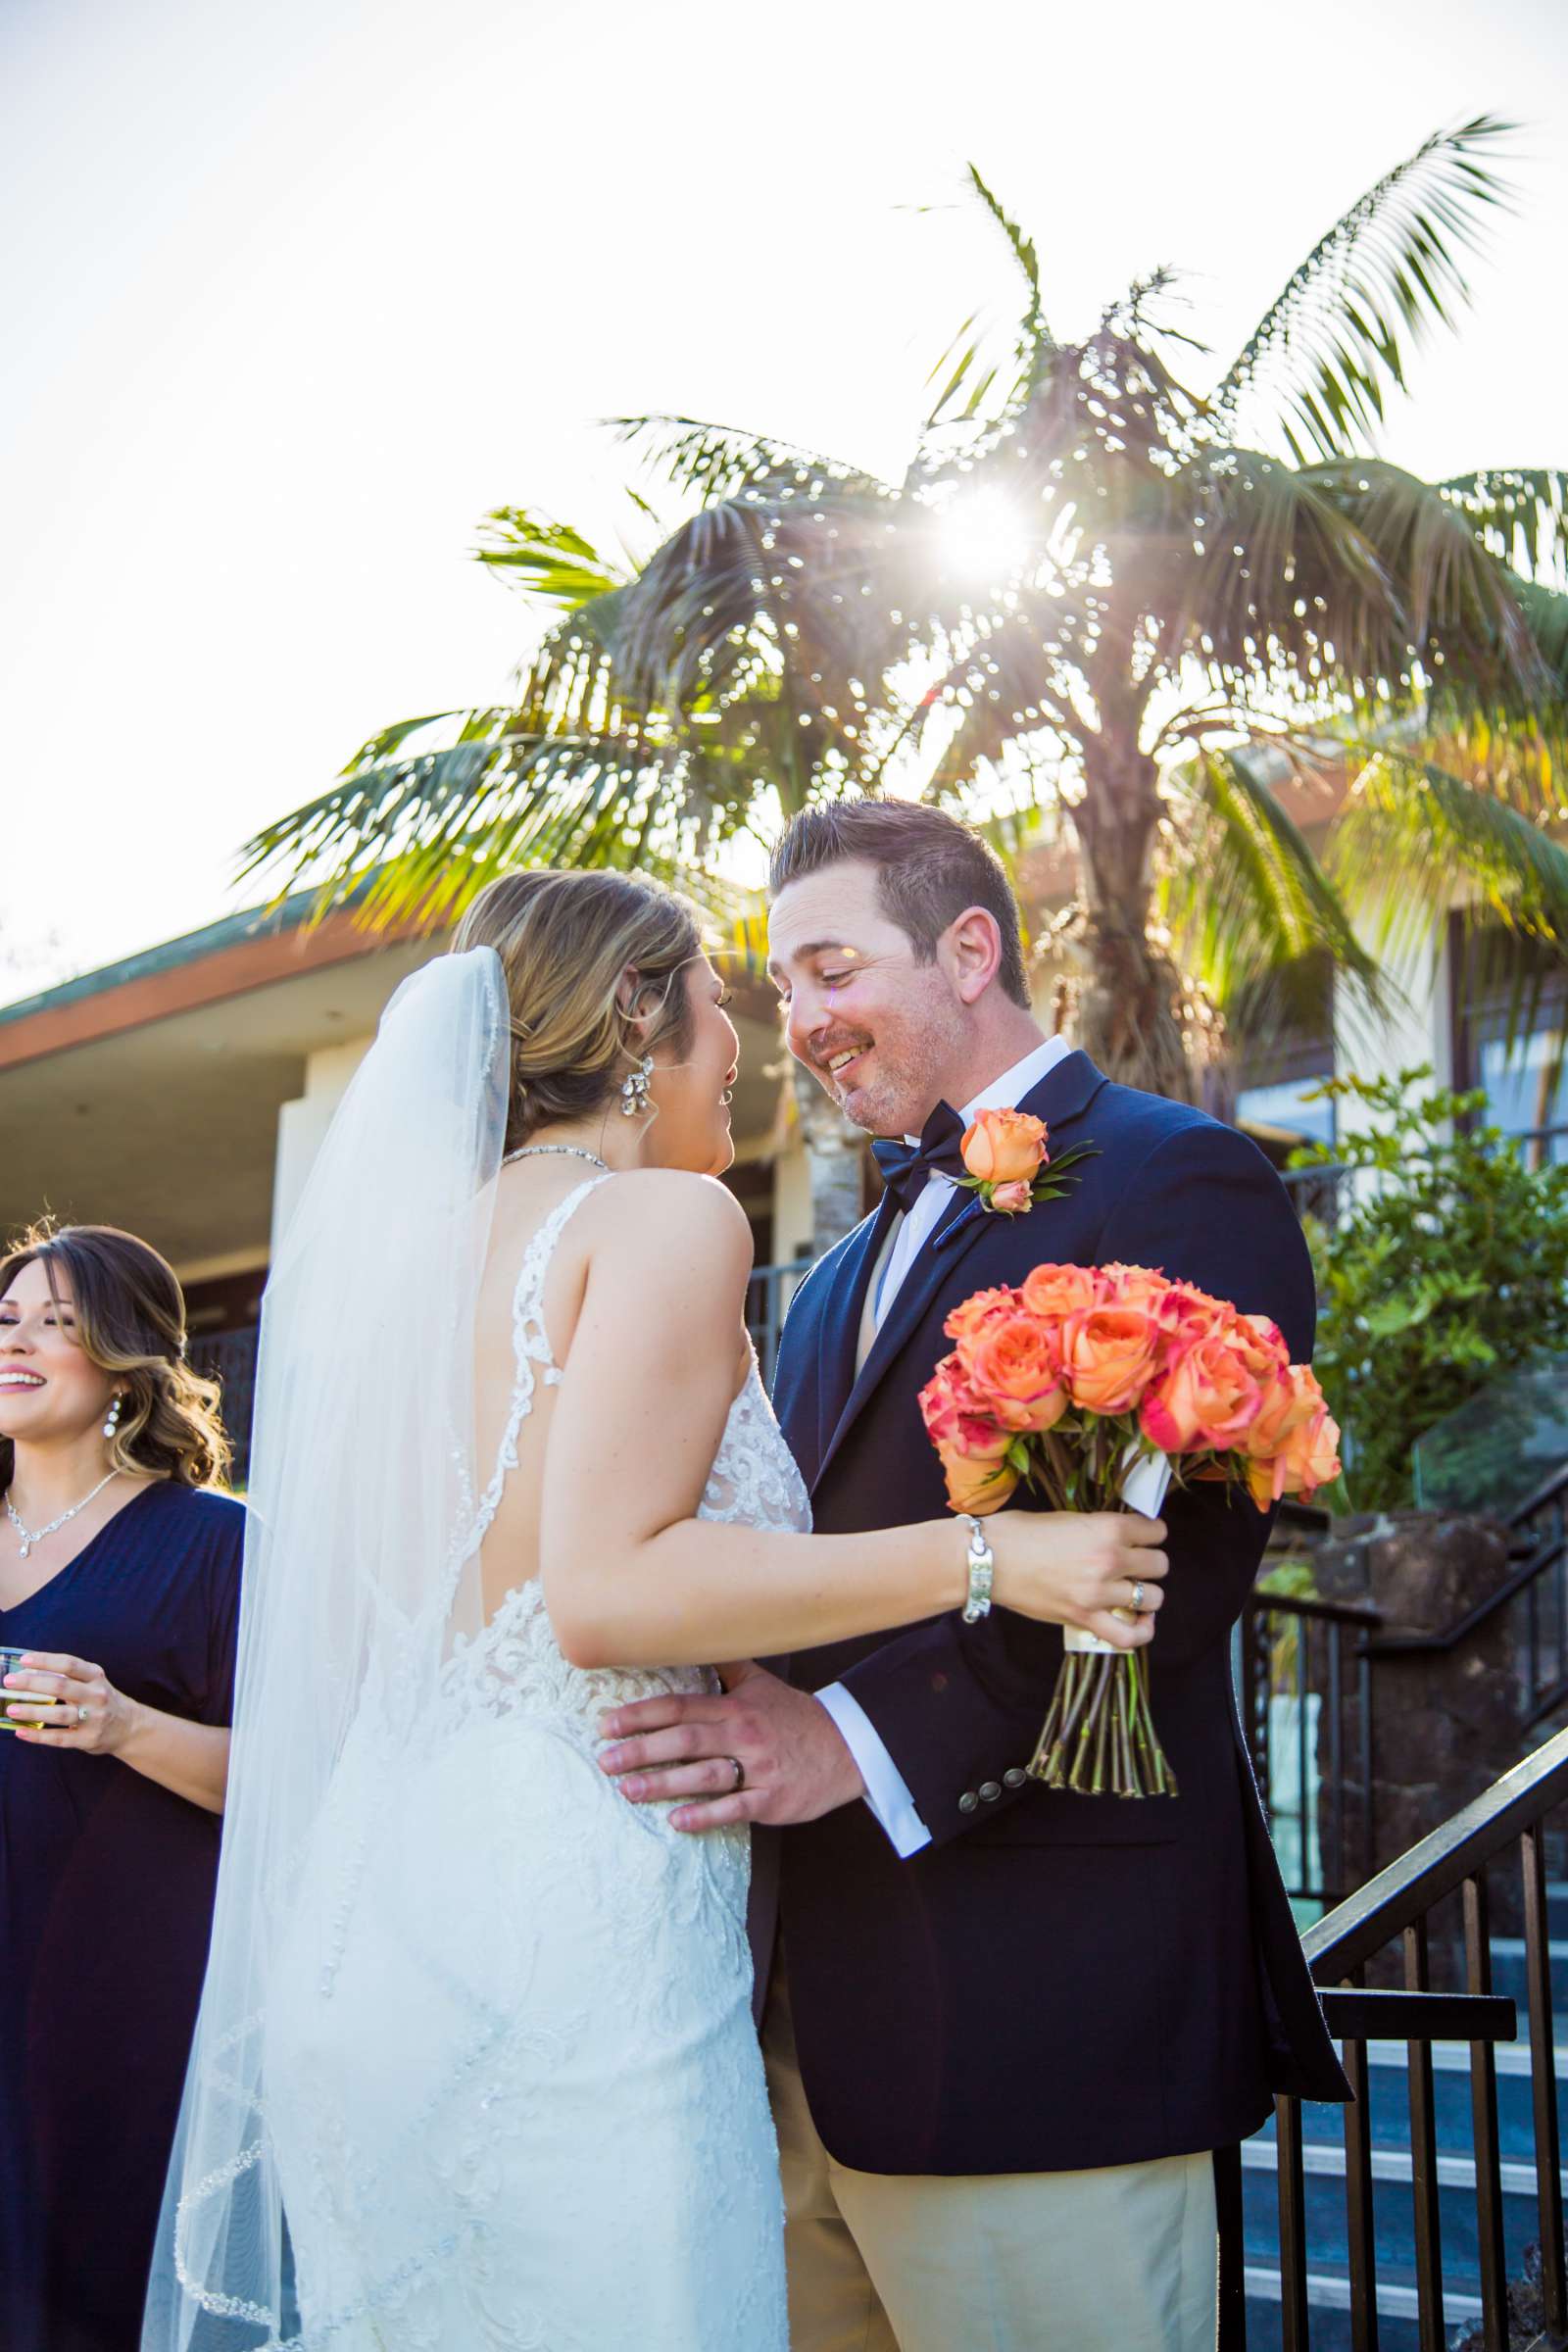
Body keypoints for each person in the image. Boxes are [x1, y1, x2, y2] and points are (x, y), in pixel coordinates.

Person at [146, 867, 1165, 2352]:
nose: (749, 1039)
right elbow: (607, 1590)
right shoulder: (662, 1221)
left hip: (375, 1915)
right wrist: (997, 1555)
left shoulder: (396, 1281)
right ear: (638, 1015)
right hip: (576, 1920)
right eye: (716, 1000)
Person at [596, 800, 1351, 2352]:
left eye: (830, 970)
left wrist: (846, 1743)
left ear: (967, 949)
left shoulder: (1180, 1178)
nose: (798, 1024)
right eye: (778, 989)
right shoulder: (821, 1289)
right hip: (793, 2049)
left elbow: (1167, 1580)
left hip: (1040, 2034)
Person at [0, 1224, 243, 2352]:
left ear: (124, 1357)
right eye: (6, 1319)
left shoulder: (215, 1547)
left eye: (56, 1321)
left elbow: (298, 1789)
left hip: (120, 2013)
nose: (19, 1341)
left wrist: (123, 1725)